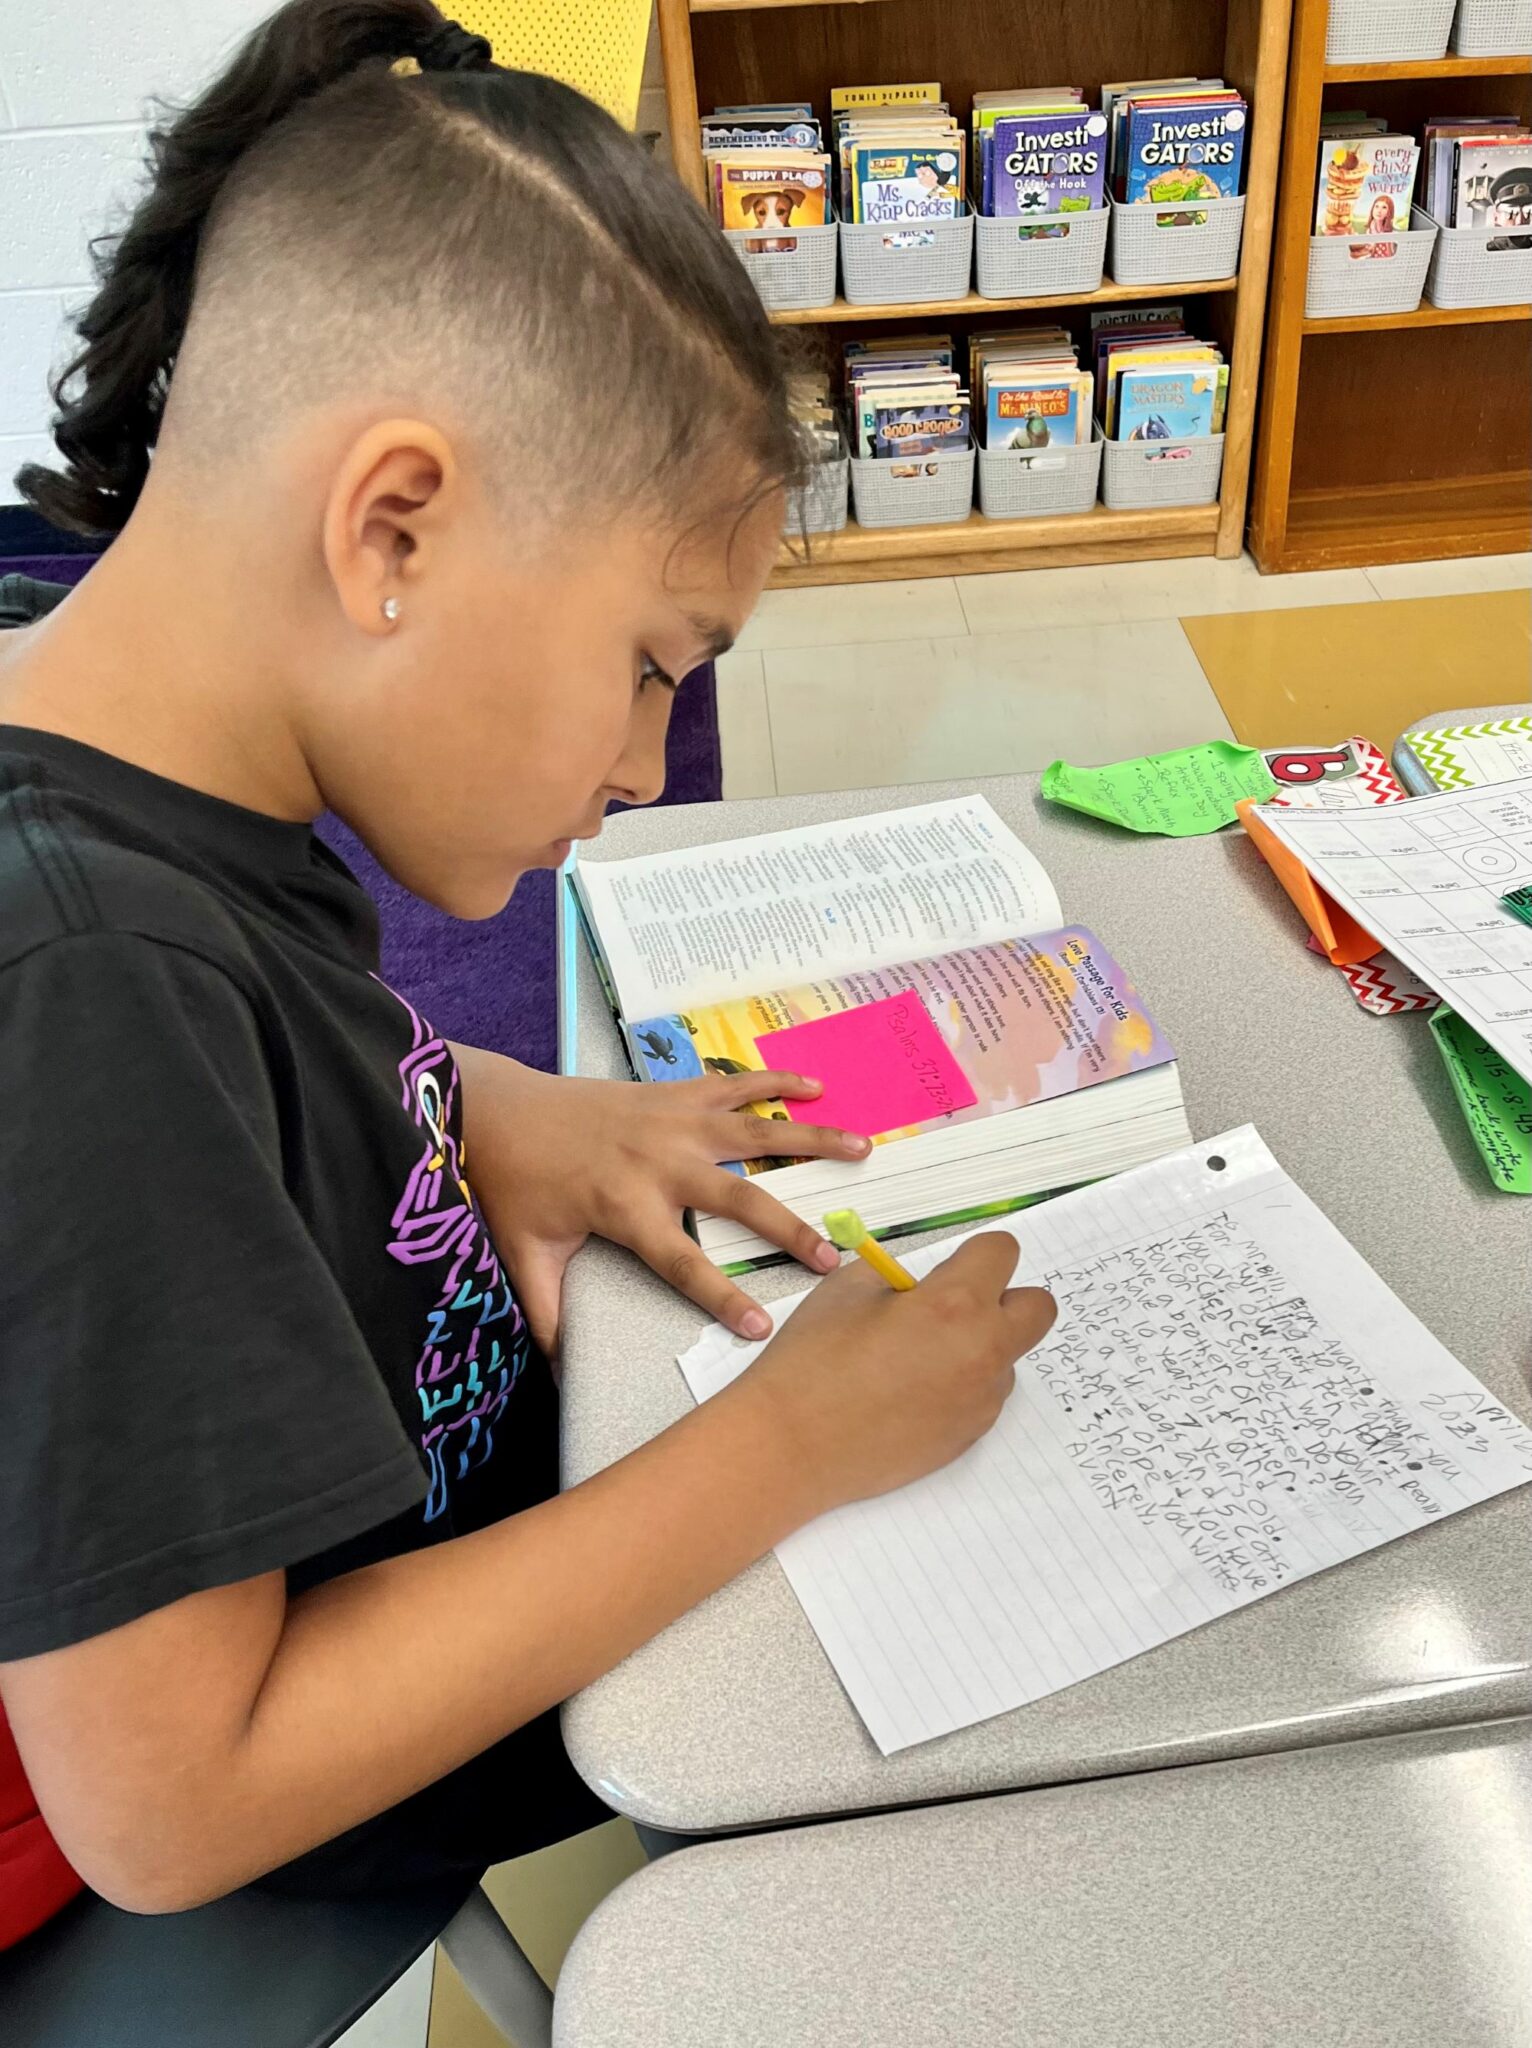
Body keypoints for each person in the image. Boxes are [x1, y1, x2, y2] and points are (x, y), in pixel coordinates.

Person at [0, 0, 1055, 1915]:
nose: (645, 770)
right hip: (304, 1783)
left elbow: (256, 1080)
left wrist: (497, 1108)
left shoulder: (147, 763)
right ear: (393, 525)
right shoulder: (81, 989)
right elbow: (172, 1812)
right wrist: (788, 1451)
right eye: (650, 667)